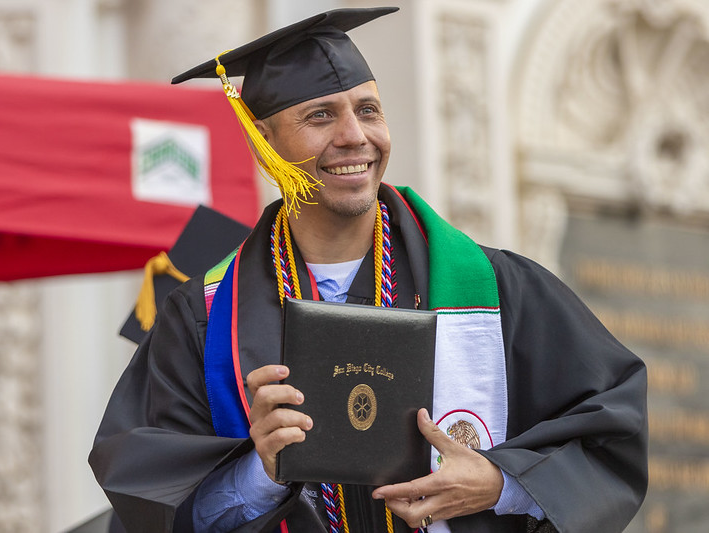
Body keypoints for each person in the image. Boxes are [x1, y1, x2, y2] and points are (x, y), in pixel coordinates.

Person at [89, 7, 647, 533]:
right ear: (264, 143)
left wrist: (501, 483)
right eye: (320, 115)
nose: (355, 135)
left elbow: (610, 436)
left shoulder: (499, 290)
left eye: (369, 109)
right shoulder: (204, 319)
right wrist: (260, 470)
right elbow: (151, 509)